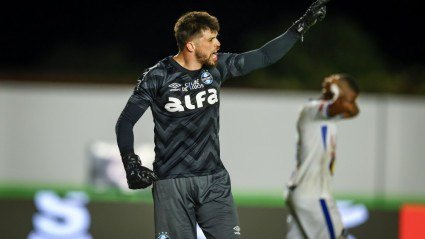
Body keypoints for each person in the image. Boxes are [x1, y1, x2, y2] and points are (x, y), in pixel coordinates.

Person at [115, 1, 330, 238]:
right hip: (171, 183)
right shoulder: (157, 76)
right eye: (211, 39)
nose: (218, 44)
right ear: (190, 45)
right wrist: (131, 164)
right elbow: (125, 122)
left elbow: (265, 56)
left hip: (214, 181)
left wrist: (299, 28)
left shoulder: (218, 67)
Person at [284, 73, 360, 239]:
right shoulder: (312, 110)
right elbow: (340, 107)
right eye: (347, 98)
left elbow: (354, 111)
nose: (350, 104)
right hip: (313, 195)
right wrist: (336, 91)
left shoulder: (329, 115)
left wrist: (341, 93)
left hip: (304, 193)